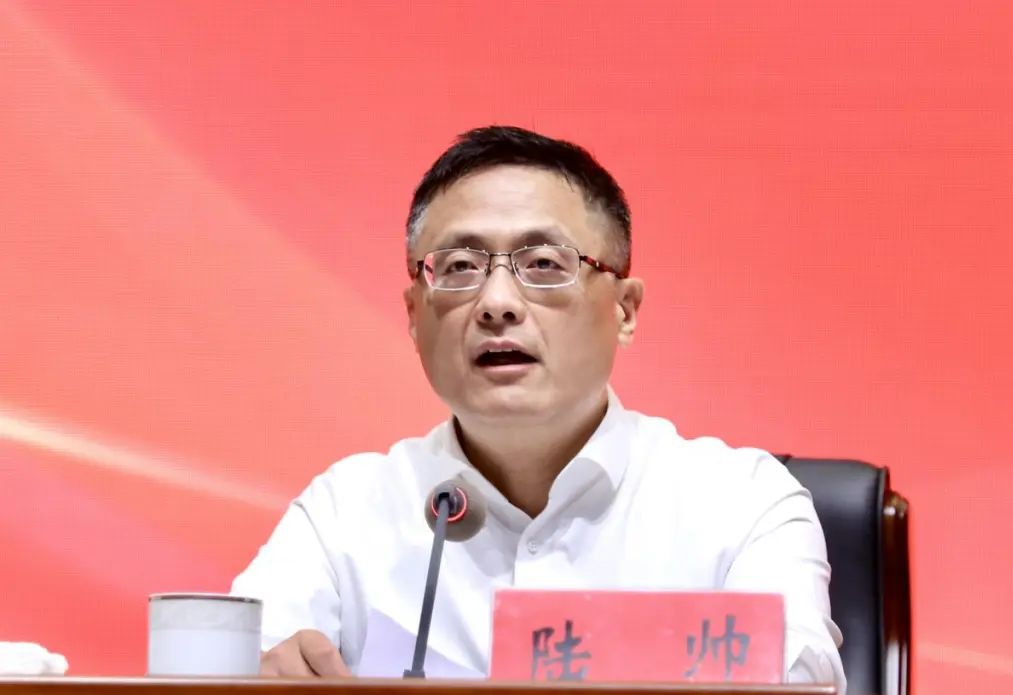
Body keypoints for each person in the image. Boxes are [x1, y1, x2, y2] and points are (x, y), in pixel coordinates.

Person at [231, 125, 845, 691]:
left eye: (544, 265)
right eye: (460, 267)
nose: (496, 302)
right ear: (414, 316)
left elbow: (799, 680)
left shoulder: (743, 505)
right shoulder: (344, 513)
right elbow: (234, 667)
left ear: (625, 310)